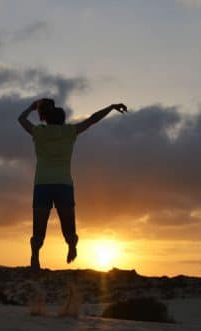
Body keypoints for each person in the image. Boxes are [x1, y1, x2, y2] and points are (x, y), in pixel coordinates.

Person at [18, 98, 127, 269]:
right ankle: (71, 245)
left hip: (42, 185)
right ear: (62, 120)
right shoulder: (69, 132)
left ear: (45, 118)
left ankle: (35, 256)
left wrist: (31, 108)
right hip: (63, 185)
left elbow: (21, 119)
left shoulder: (39, 132)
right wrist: (111, 107)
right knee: (69, 228)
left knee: (38, 230)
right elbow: (92, 119)